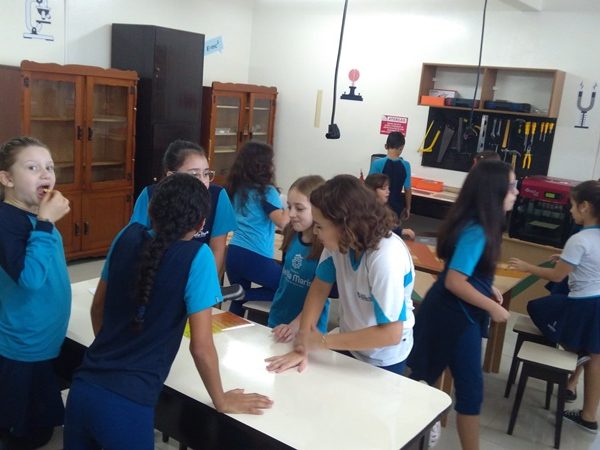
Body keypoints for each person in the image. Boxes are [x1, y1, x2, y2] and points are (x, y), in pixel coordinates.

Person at [63, 173, 273, 449]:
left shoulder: (126, 236)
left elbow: (97, 308)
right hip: (127, 405)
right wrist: (221, 400)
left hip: (83, 388)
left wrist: (114, 352)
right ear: (200, 224)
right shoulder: (197, 257)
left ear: (151, 211)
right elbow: (201, 347)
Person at [408, 160, 516, 450]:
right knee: (451, 387)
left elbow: (464, 271)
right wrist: (492, 307)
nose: (516, 192)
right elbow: (455, 281)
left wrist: (486, 286)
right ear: (493, 191)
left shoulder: (479, 224)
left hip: (455, 314)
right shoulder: (478, 230)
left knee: (459, 388)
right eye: (511, 186)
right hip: (451, 317)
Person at [265, 175, 415, 376]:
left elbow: (390, 334)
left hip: (384, 356)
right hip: (349, 340)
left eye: (320, 226)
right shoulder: (338, 243)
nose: (315, 232)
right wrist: (303, 342)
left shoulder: (385, 257)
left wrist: (321, 341)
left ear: (346, 225)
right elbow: (319, 289)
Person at [509, 180, 600, 434]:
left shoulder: (579, 239)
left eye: (572, 205)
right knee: (596, 359)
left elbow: (558, 276)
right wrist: (566, 258)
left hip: (581, 305)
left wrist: (528, 267)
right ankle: (589, 417)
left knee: (537, 307)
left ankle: (574, 349)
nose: (570, 210)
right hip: (597, 303)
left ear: (585, 207)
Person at [0, 136, 71, 449]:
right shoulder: (7, 220)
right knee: (25, 432)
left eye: (50, 167)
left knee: (42, 419)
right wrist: (45, 222)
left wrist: (44, 221)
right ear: (7, 179)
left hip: (43, 339)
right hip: (23, 342)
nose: (45, 174)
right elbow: (29, 279)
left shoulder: (36, 217)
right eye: (32, 167)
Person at [130, 139, 236, 276]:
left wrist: (208, 283)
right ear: (171, 177)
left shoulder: (218, 196)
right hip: (155, 272)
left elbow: (217, 249)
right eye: (194, 174)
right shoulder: (150, 194)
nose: (203, 181)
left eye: (206, 174)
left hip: (200, 272)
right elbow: (136, 240)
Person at [226, 142, 289, 316]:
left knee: (237, 307)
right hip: (255, 255)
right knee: (288, 287)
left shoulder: (236, 189)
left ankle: (236, 297)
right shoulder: (267, 192)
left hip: (234, 252)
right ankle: (242, 294)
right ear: (264, 165)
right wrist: (292, 206)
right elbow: (282, 222)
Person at [268, 175, 330, 342]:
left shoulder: (326, 248)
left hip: (308, 329)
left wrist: (296, 326)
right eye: (289, 207)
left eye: (300, 208)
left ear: (318, 210)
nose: (291, 214)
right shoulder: (291, 233)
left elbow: (320, 296)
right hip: (278, 320)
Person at [368, 131, 412, 222]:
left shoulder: (377, 163)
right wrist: (408, 207)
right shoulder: (406, 165)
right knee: (394, 228)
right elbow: (408, 189)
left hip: (379, 206)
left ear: (386, 146)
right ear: (402, 148)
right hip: (397, 208)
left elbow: (369, 187)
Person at [364, 173, 416, 240]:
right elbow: (379, 229)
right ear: (372, 191)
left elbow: (388, 226)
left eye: (388, 188)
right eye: (383, 189)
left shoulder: (384, 208)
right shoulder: (367, 211)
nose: (388, 191)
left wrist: (401, 231)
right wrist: (401, 231)